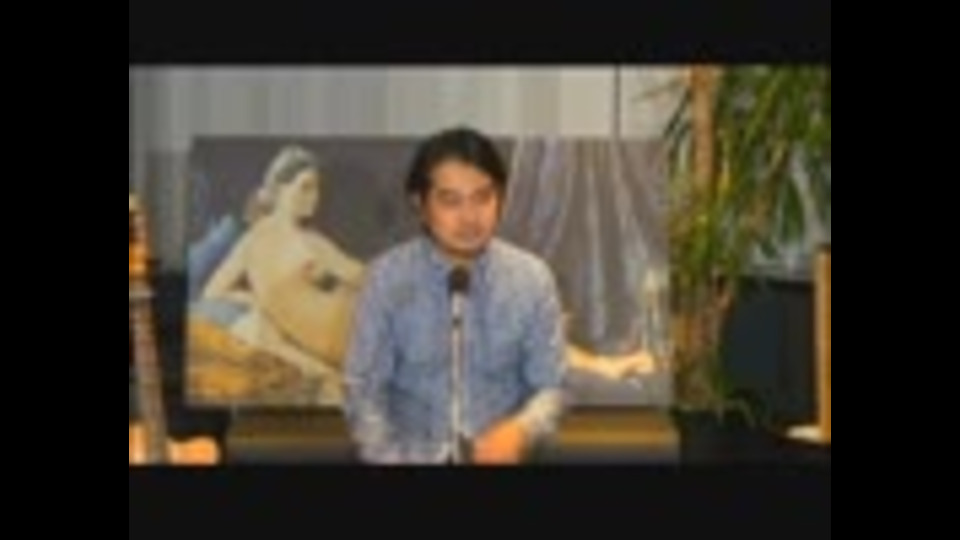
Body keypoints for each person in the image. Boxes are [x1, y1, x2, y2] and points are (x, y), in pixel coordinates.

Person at [344, 127, 567, 464]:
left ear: (500, 198)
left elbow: (551, 387)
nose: (469, 217)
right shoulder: (387, 279)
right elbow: (364, 391)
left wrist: (521, 430)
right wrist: (391, 458)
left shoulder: (532, 280)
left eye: (483, 198)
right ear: (420, 204)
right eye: (451, 201)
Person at [199, 146, 364, 405]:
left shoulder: (307, 240)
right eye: (305, 187)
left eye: (317, 189)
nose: (314, 197)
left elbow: (364, 276)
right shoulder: (263, 241)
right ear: (280, 188)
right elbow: (212, 292)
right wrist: (259, 304)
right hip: (343, 347)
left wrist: (330, 278)